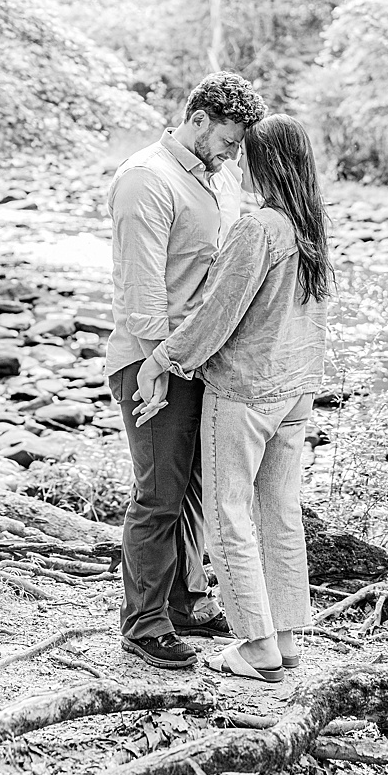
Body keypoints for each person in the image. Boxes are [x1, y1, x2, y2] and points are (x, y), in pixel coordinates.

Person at [134, 114, 332, 682]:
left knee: (229, 518)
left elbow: (218, 314)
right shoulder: (311, 227)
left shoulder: (259, 229)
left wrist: (162, 359)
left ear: (265, 162)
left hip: (247, 391)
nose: (239, 163)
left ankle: (257, 646)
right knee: (280, 515)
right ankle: (287, 640)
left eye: (247, 154)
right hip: (296, 390)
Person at [106, 71, 268, 670]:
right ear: (197, 119)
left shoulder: (220, 177)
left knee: (197, 487)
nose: (233, 154)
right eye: (227, 140)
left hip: (202, 357)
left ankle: (183, 603)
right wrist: (162, 365)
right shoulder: (147, 179)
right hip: (152, 359)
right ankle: (144, 623)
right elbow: (142, 292)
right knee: (158, 493)